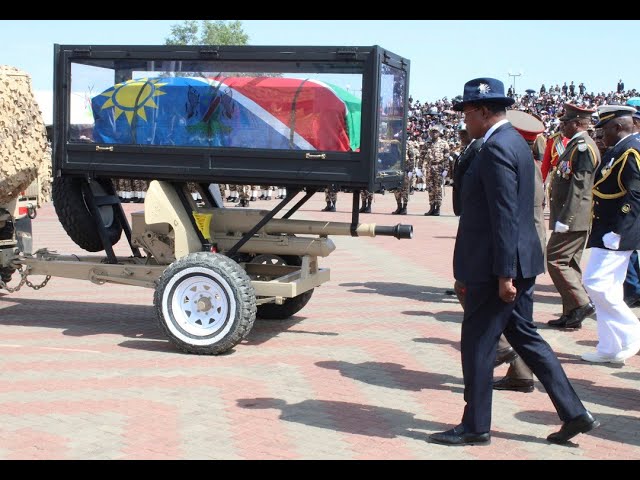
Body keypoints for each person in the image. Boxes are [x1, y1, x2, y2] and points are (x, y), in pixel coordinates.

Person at [429, 77, 598, 446]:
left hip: (495, 267)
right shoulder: (511, 143)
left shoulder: (496, 147)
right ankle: (574, 412)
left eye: (468, 113)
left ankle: (475, 426)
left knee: (477, 344)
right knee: (527, 338)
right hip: (514, 261)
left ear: (485, 111)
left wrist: (504, 274)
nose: (464, 122)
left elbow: (505, 214)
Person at [581, 105, 640, 364]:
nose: (601, 136)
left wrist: (619, 230)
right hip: (606, 228)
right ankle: (610, 346)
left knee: (596, 283)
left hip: (617, 230)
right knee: (608, 288)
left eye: (604, 130)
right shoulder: (618, 149)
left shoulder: (631, 149)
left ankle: (631, 332)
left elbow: (636, 193)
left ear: (618, 127)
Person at [546, 104, 600, 329]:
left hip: (573, 218)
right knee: (570, 263)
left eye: (565, 123)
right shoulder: (576, 146)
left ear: (577, 123)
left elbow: (580, 186)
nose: (562, 127)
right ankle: (571, 314)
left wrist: (565, 219)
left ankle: (581, 303)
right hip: (572, 216)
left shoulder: (583, 147)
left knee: (555, 259)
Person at [424, 124, 449, 216]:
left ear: (439, 133)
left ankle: (437, 208)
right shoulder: (427, 143)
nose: (434, 134)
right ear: (430, 133)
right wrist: (419, 168)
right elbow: (422, 156)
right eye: (432, 132)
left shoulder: (444, 143)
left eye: (436, 132)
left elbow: (446, 157)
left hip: (439, 167)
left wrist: (446, 169)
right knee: (430, 188)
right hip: (429, 168)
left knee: (438, 189)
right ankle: (431, 207)